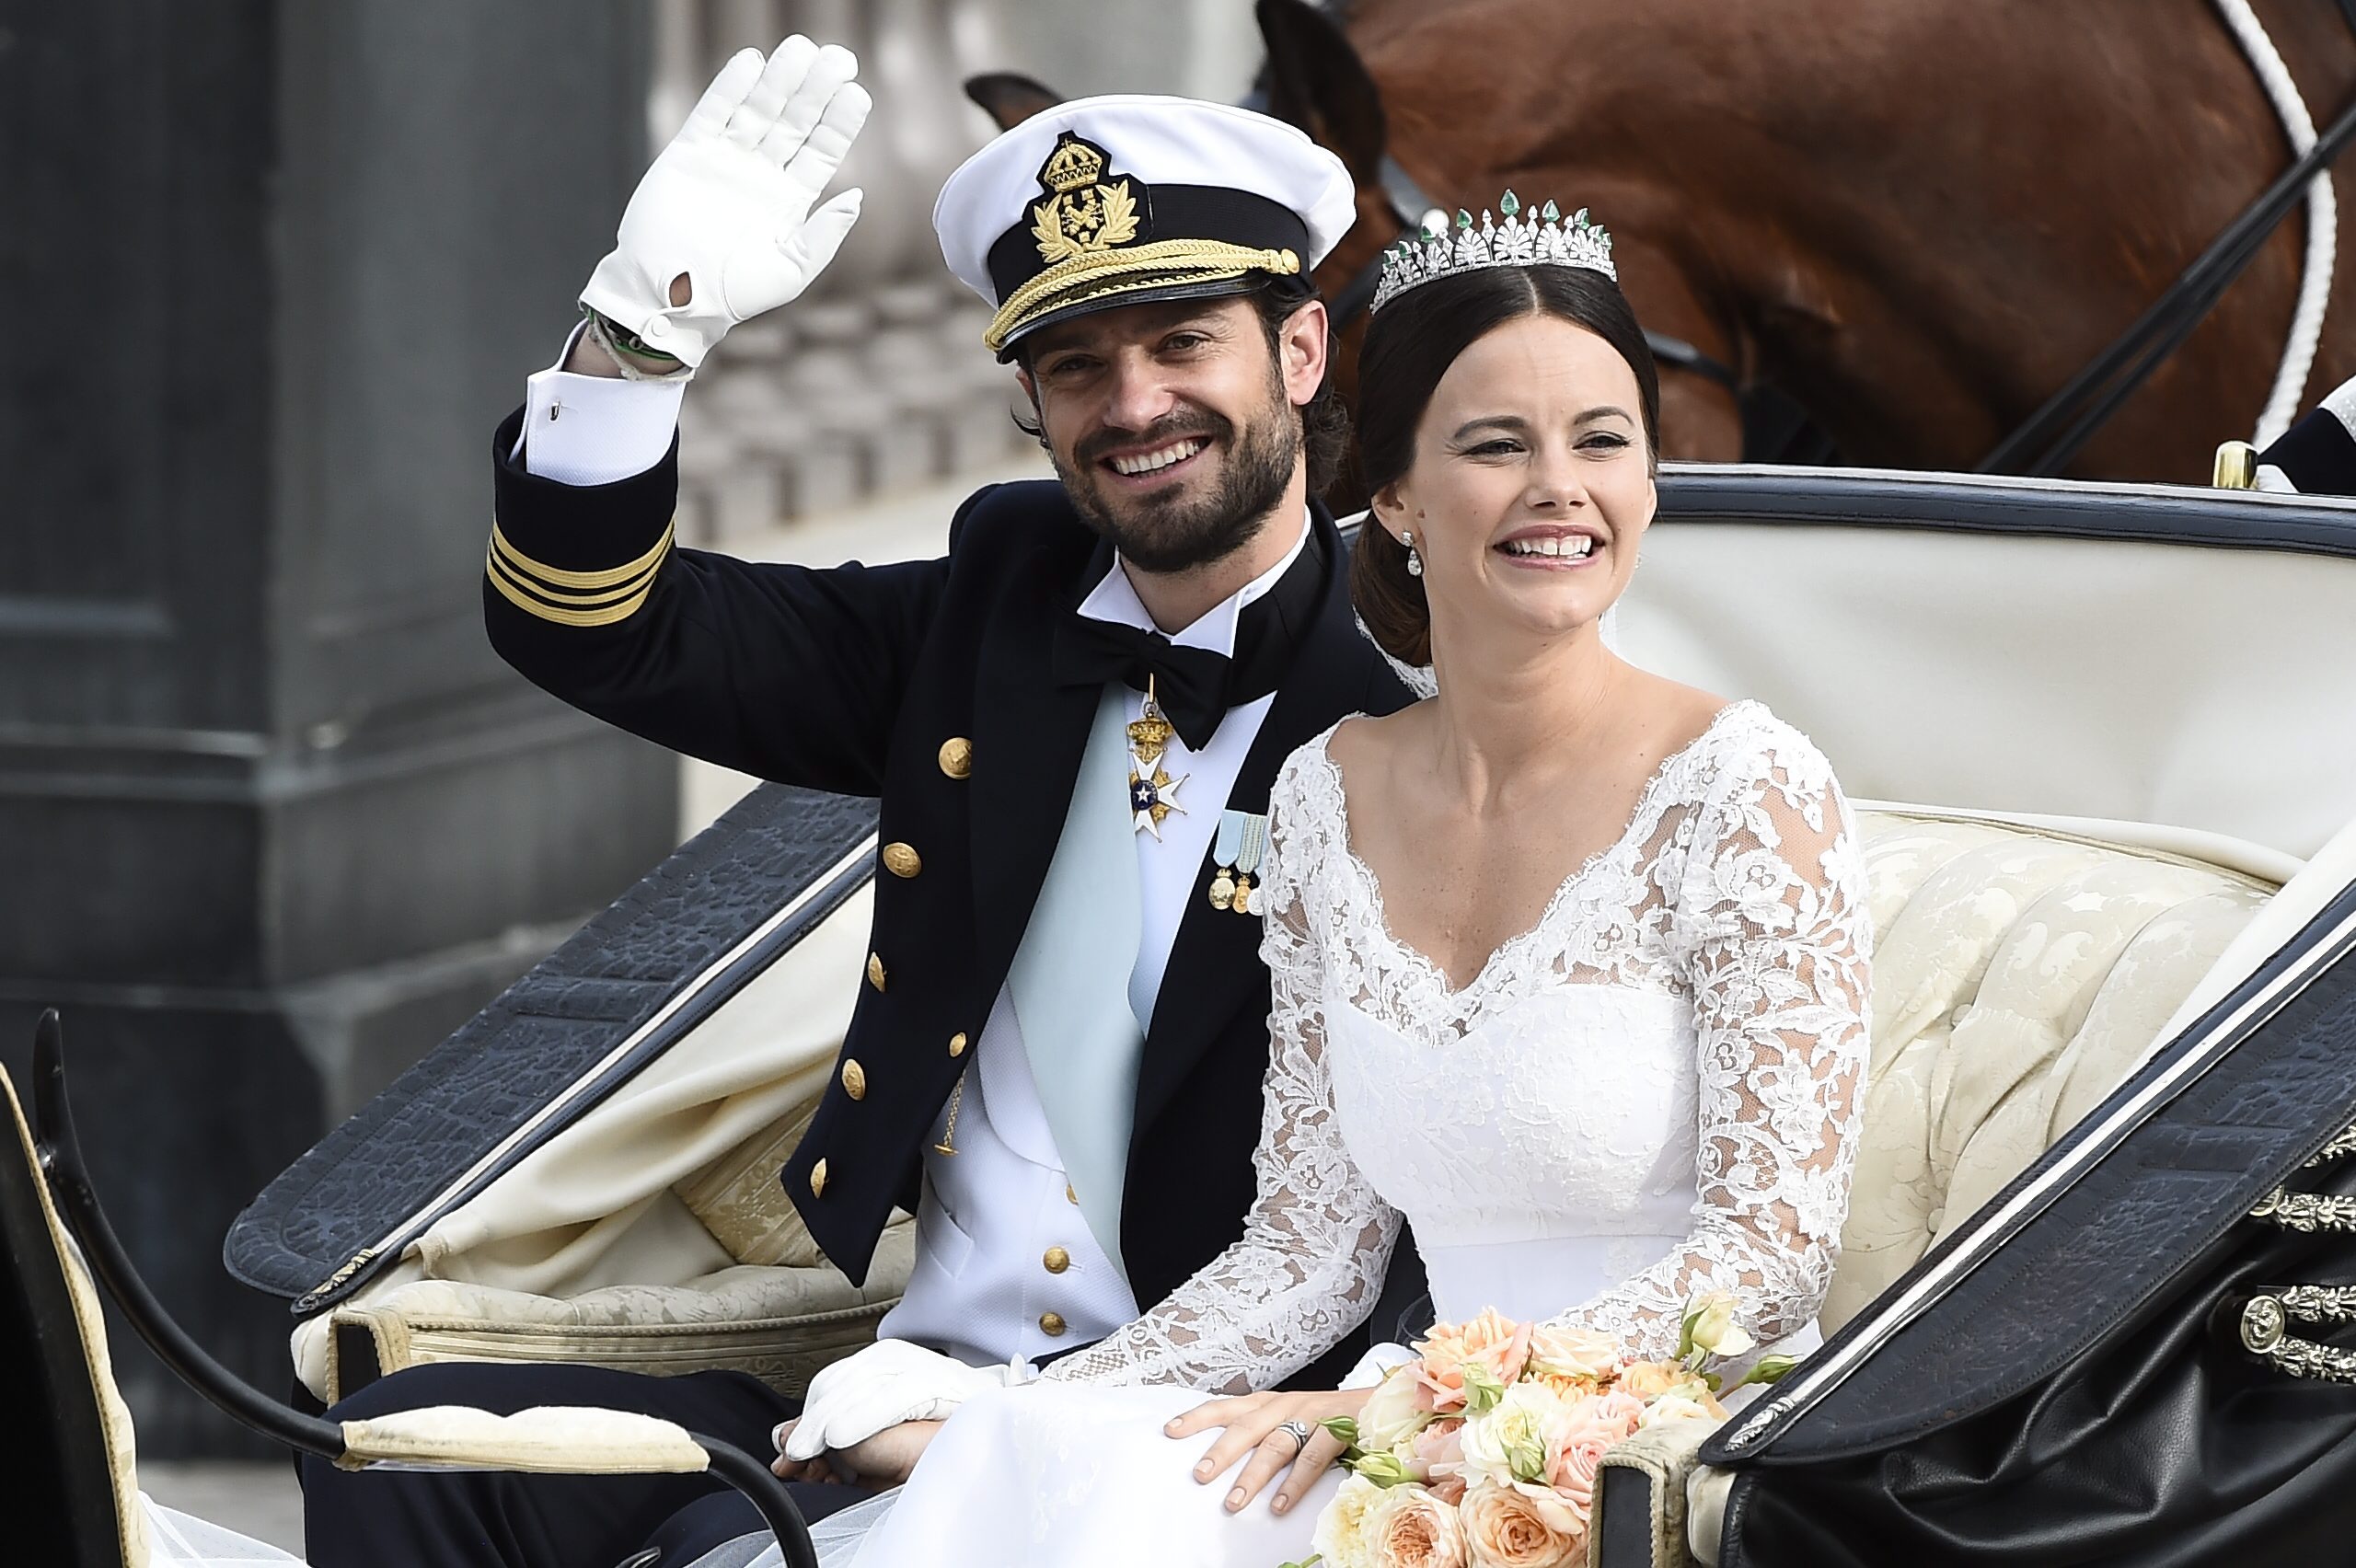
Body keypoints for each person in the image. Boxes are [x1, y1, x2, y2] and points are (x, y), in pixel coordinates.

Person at [296, 37, 1417, 1568]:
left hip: (1199, 1442)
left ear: (1296, 353)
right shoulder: (992, 605)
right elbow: (599, 625)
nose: (1133, 403)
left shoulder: (1411, 706)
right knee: (406, 1462)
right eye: (1076, 365)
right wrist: (642, 336)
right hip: (895, 1377)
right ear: (1028, 399)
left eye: (1183, 342)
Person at [694, 200, 1875, 1568]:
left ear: (1651, 480)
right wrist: (1031, 1411)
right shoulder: (1330, 788)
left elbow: (1769, 1260)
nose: (1560, 487)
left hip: (1661, 1461)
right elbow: (1309, 1252)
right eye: (1497, 445)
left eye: (1602, 440)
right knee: (1063, 1506)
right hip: (1381, 1435)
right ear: (1398, 496)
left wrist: (1422, 1402)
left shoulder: (1744, 788)